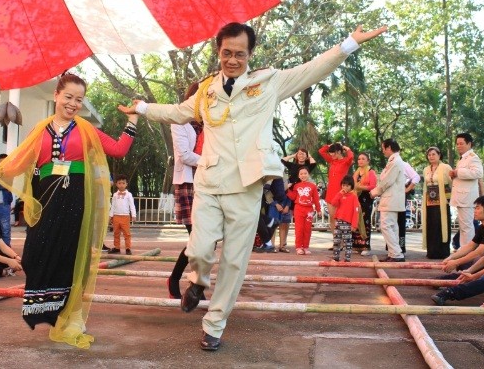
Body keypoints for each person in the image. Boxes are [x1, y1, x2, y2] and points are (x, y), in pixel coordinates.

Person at [119, 21, 386, 350]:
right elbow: (176, 112)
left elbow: (312, 69)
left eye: (239, 54)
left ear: (249, 54)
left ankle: (214, 324)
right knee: (200, 248)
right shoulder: (206, 92)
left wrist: (349, 44)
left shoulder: (268, 82)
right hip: (211, 180)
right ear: (219, 52)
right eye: (227, 53)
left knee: (233, 260)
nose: (232, 60)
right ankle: (198, 281)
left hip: (246, 185)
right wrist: (142, 108)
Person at [0, 73, 137, 349]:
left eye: (78, 100)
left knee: (73, 258)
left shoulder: (87, 130)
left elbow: (118, 149)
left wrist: (133, 120)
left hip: (75, 200)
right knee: (35, 256)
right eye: (68, 97)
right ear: (56, 95)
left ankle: (74, 320)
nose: (72, 104)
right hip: (47, 200)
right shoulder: (39, 129)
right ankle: (53, 312)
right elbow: (19, 163)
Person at [167, 81, 202, 298]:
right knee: (197, 238)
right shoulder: (179, 120)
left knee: (207, 240)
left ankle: (194, 283)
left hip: (207, 181)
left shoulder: (209, 122)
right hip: (188, 182)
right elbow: (184, 155)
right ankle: (181, 279)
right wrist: (213, 160)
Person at [439, 196, 484, 276]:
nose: (474, 211)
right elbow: (470, 246)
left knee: (476, 260)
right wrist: (451, 258)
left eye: (477, 208)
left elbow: (480, 252)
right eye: (475, 208)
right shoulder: (482, 227)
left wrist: (456, 262)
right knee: (463, 263)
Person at [370, 139, 406, 262]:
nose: (383, 151)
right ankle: (394, 253)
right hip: (391, 199)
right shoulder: (394, 161)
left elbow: (387, 181)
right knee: (392, 226)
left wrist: (374, 192)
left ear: (389, 147)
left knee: (385, 226)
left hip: (391, 199)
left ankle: (396, 253)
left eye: (383, 148)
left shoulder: (395, 162)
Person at [449, 133, 484, 248]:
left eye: (461, 143)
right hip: (462, 197)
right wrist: (455, 174)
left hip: (467, 198)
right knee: (464, 227)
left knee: (467, 227)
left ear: (469, 144)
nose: (459, 146)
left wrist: (458, 172)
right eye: (457, 144)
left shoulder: (472, 157)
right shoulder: (463, 158)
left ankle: (468, 252)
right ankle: (464, 250)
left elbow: (478, 173)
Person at [421, 146, 453, 259]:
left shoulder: (445, 167)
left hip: (442, 201)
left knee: (441, 224)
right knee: (431, 224)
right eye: (429, 155)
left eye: (433, 154)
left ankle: (443, 251)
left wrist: (449, 197)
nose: (431, 156)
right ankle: (432, 251)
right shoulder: (426, 169)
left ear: (439, 155)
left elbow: (451, 182)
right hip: (429, 200)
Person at [318, 142, 354, 231]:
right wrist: (330, 145)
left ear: (339, 152)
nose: (331, 155)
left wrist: (346, 148)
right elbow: (321, 151)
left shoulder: (346, 161)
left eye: (333, 153)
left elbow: (351, 157)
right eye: (330, 153)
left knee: (341, 218)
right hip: (330, 192)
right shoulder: (332, 160)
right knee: (332, 217)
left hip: (341, 192)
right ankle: (336, 242)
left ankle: (342, 242)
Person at [287, 167, 321, 255]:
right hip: (298, 209)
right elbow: (293, 197)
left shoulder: (313, 186)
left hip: (309, 210)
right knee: (299, 229)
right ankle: (299, 247)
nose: (303, 175)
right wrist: (287, 190)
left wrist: (319, 209)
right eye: (301, 174)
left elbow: (316, 199)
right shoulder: (296, 186)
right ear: (299, 176)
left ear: (308, 174)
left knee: (307, 229)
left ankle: (306, 247)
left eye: (305, 173)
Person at [330, 175, 360, 262]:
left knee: (348, 242)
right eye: (343, 185)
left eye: (347, 185)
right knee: (336, 241)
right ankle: (336, 257)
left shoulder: (354, 197)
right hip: (338, 222)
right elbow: (333, 203)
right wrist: (339, 194)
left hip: (347, 223)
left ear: (351, 186)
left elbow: (356, 211)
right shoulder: (340, 195)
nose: (345, 187)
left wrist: (354, 224)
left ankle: (347, 258)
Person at [353, 152, 376, 256]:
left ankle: (366, 246)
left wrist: (360, 187)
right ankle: (357, 246)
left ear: (368, 161)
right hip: (356, 198)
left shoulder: (371, 172)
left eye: (363, 159)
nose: (360, 161)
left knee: (365, 221)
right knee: (356, 220)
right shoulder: (356, 172)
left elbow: (373, 186)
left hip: (366, 198)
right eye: (359, 159)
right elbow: (353, 185)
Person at [108, 174, 137, 255]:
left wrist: (133, 215)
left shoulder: (129, 194)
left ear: (126, 184)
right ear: (116, 184)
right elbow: (112, 206)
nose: (121, 185)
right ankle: (117, 247)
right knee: (116, 233)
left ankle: (128, 248)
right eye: (119, 183)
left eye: (123, 183)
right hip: (116, 216)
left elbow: (132, 205)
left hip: (125, 216)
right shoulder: (114, 195)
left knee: (127, 233)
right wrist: (110, 216)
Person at [397, 159, 420, 254]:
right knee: (392, 223)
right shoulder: (389, 164)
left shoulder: (403, 164)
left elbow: (416, 177)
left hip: (400, 197)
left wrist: (407, 189)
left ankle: (401, 247)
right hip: (391, 197)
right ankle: (391, 247)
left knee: (401, 223)